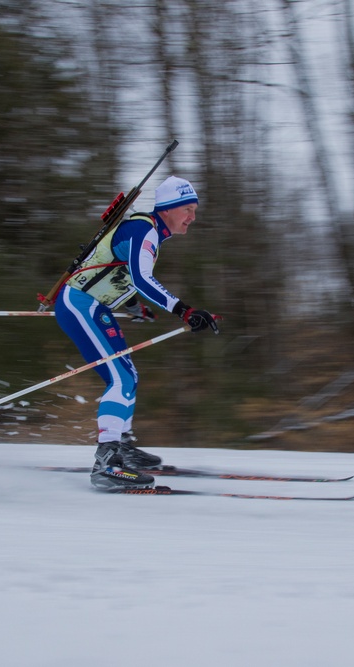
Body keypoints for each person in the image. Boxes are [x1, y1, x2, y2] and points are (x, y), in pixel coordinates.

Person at [55, 176, 219, 491]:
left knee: (127, 375)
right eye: (188, 209)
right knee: (121, 378)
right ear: (169, 208)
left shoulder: (149, 234)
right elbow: (142, 278)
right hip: (79, 302)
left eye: (194, 210)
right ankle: (107, 461)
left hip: (93, 305)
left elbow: (120, 273)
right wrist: (183, 310)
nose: (192, 217)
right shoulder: (143, 230)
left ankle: (122, 447)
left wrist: (132, 305)